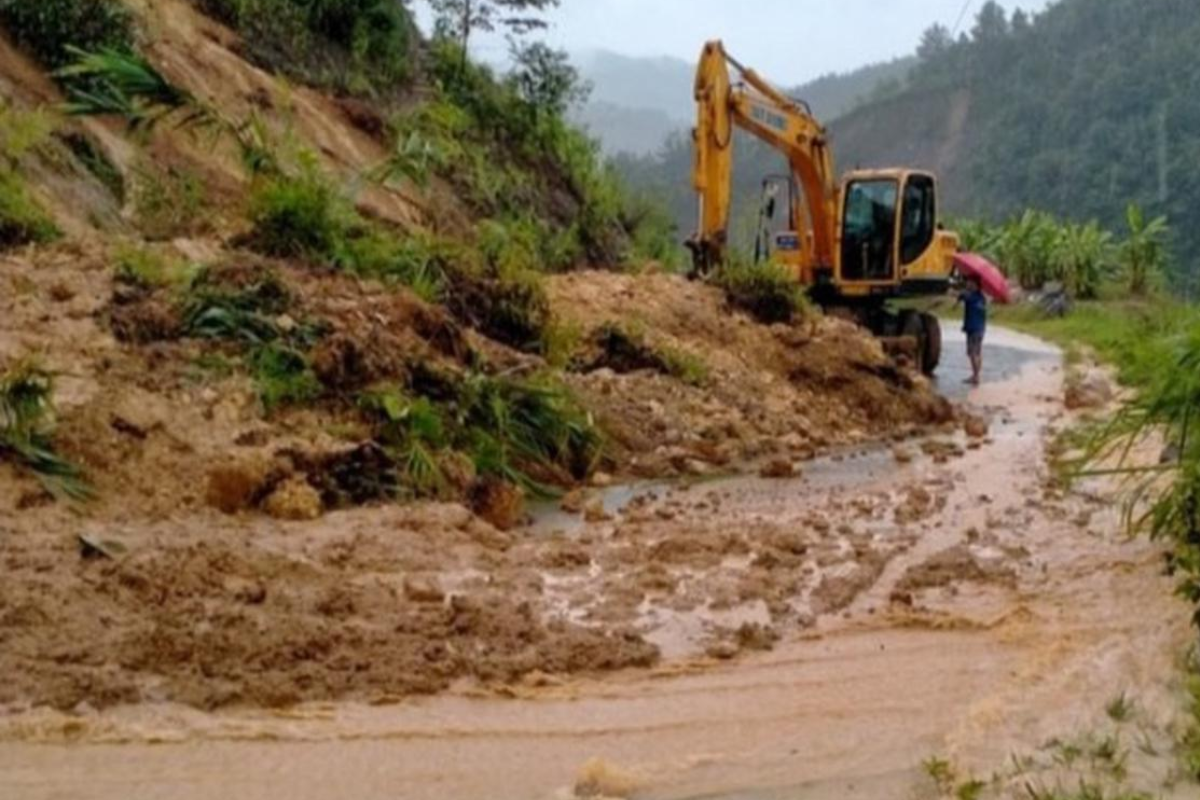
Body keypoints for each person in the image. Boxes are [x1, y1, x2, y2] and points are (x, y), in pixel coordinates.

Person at [958, 276, 988, 386]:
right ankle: (976, 375)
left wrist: (962, 293)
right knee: (978, 353)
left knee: (972, 353)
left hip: (972, 328)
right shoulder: (982, 297)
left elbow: (960, 297)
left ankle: (976, 377)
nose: (967, 284)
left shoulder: (969, 296)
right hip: (980, 328)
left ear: (974, 284)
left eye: (969, 282)